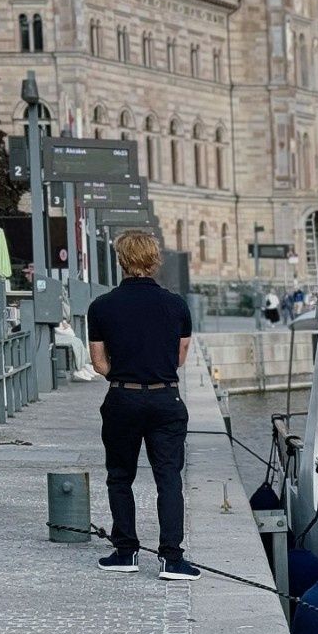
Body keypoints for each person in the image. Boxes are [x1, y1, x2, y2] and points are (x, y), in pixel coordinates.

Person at [87, 229, 197, 579]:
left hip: (123, 396)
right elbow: (180, 357)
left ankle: (126, 553)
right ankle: (172, 559)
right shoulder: (177, 305)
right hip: (166, 397)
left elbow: (98, 362)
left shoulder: (101, 307)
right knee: (169, 478)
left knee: (120, 477)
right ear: (154, 260)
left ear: (121, 260)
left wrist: (122, 375)